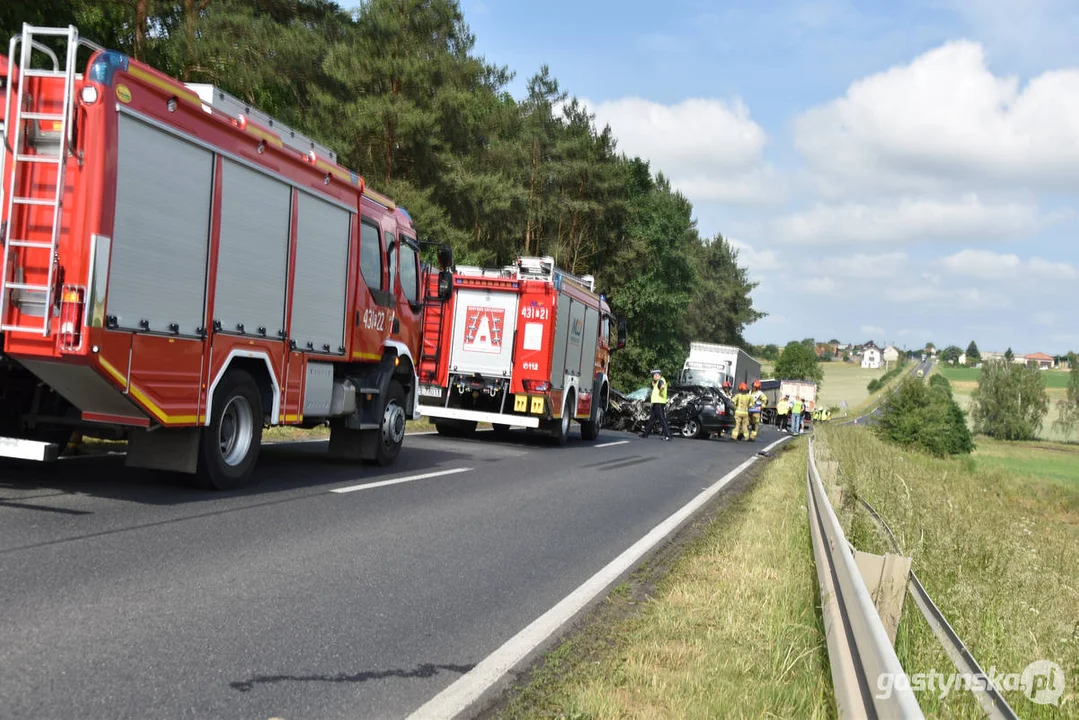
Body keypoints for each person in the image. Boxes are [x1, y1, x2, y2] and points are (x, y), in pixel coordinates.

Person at [639, 368, 672, 441]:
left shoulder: (660, 381)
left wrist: (660, 392)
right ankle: (645, 434)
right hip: (656, 403)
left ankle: (668, 435)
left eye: (654, 375)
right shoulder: (659, 381)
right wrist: (655, 386)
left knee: (662, 419)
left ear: (657, 375)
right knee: (652, 419)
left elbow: (662, 387)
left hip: (659, 403)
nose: (653, 377)